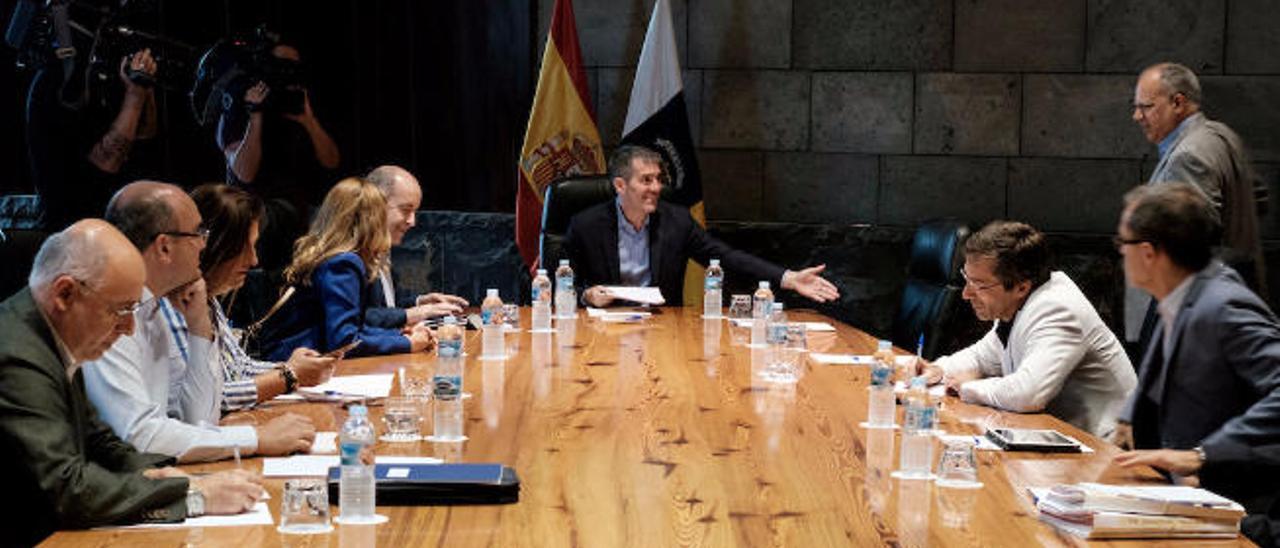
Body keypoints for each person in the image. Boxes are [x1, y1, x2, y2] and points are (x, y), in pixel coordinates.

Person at [0, 220, 263, 545]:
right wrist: (192, 494)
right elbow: (66, 487)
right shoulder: (17, 355)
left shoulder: (53, 334)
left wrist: (177, 478)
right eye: (120, 310)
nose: (129, 328)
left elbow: (101, 443)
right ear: (65, 293)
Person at [83, 181, 316, 462]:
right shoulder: (114, 313)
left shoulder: (154, 306)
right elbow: (140, 437)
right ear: (164, 247)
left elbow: (198, 421)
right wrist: (257, 438)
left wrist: (199, 327)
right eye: (198, 233)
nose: (205, 244)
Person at [1112, 182, 1280, 518]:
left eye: (1122, 243)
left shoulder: (1223, 305)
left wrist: (1203, 455)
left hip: (1240, 506)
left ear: (1148, 253)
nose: (1119, 252)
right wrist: (1129, 417)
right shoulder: (1179, 293)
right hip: (1183, 493)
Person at [919, 222, 1136, 438]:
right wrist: (938, 370)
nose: (966, 294)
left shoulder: (1058, 310)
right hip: (1059, 438)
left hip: (1107, 449)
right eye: (966, 279)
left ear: (1021, 287)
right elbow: (980, 358)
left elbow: (1028, 394)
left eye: (979, 285)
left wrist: (968, 388)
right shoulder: (1017, 305)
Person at [565, 145, 840, 307]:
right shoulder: (586, 225)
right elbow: (562, 286)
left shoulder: (677, 221)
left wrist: (788, 278)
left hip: (663, 327)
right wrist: (586, 296)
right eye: (646, 180)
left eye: (659, 179)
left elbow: (727, 257)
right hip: (602, 326)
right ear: (620, 185)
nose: (657, 188)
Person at [1126, 62, 1269, 355]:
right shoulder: (1221, 136)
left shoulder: (1188, 155)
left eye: (1146, 106)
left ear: (1178, 102)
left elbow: (1193, 238)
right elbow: (1258, 197)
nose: (1137, 115)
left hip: (1188, 314)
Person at [190, 184, 337, 411]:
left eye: (255, 246)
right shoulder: (174, 307)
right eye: (244, 247)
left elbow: (238, 367)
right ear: (213, 245)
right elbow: (208, 399)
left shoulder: (208, 298)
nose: (254, 260)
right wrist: (289, 375)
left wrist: (294, 367)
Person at [257, 177, 436, 361]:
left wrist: (399, 337)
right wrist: (408, 344)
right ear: (370, 221)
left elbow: (354, 328)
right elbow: (344, 341)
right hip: (291, 363)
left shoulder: (336, 258)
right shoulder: (343, 264)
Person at [217, 42, 341, 276]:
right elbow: (244, 171)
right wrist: (256, 116)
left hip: (298, 215)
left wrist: (309, 121)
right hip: (256, 217)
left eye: (293, 67)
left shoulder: (299, 100)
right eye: (280, 66)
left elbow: (332, 161)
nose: (287, 73)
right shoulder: (239, 103)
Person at [26, 47, 160, 231]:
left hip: (112, 224)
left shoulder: (104, 78)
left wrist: (146, 86)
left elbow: (144, 133)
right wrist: (136, 95)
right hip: (75, 229)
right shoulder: (57, 81)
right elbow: (107, 159)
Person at [362, 165, 468, 329]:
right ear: (376, 205)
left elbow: (388, 304)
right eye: (406, 210)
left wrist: (421, 302)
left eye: (415, 212)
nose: (412, 221)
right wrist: (414, 315)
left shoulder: (381, 248)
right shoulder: (350, 256)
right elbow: (355, 319)